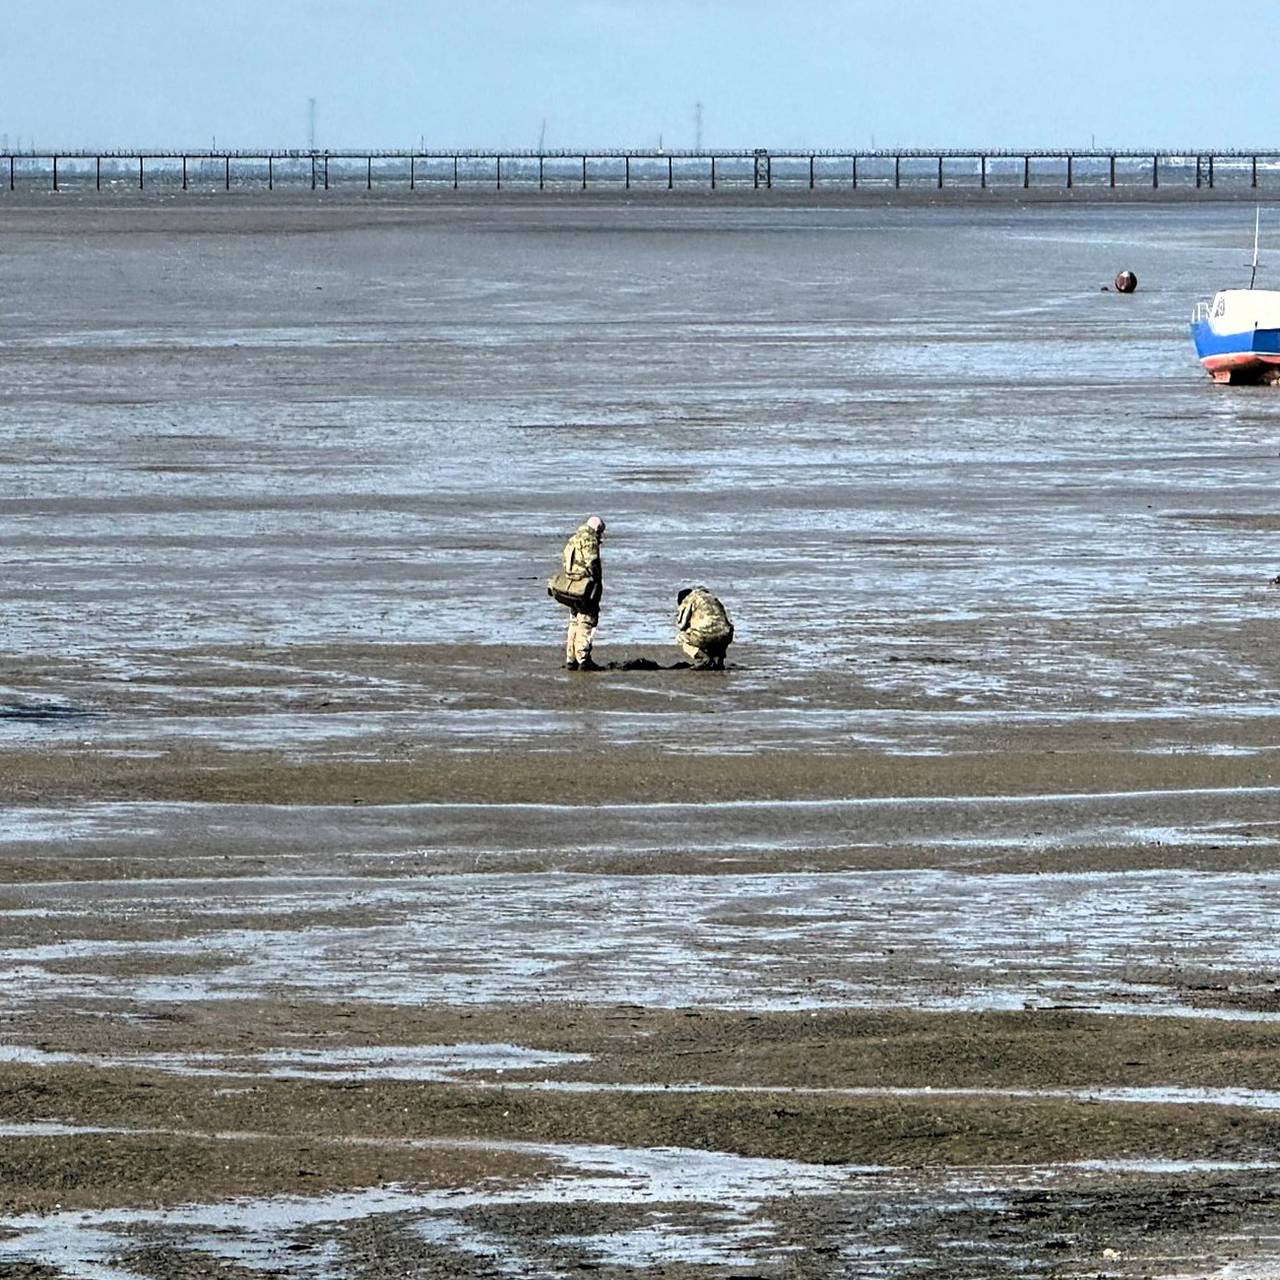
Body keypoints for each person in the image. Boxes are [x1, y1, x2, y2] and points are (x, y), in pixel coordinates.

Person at [555, 515, 605, 670]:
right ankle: (583, 659)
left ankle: (571, 658)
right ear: (597, 529)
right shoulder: (589, 540)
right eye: (601, 533)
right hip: (585, 587)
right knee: (586, 621)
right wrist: (597, 582)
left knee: (574, 621)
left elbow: (565, 562)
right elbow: (593, 563)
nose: (601, 537)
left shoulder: (573, 539)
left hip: (571, 587)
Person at [675, 586, 733, 670]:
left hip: (705, 635)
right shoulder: (712, 598)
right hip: (726, 635)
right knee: (719, 632)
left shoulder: (689, 599)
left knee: (681, 637)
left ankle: (704, 658)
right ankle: (719, 660)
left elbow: (681, 625)